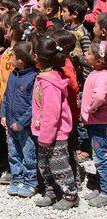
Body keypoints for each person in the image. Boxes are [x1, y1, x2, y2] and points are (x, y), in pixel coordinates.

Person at [31, 36, 77, 210]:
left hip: (53, 134)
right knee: (44, 165)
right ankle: (52, 192)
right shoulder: (43, 77)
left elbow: (52, 113)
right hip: (43, 132)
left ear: (36, 56)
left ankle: (70, 194)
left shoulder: (49, 83)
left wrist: (46, 136)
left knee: (59, 166)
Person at [1, 41, 38, 198]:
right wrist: (3, 114)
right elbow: (6, 96)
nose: (11, 59)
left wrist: (22, 123)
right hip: (10, 123)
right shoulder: (13, 75)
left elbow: (33, 106)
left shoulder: (33, 78)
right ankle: (17, 179)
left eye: (13, 57)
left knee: (28, 154)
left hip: (24, 127)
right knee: (13, 153)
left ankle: (31, 182)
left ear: (21, 61)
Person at [81, 40, 107, 207]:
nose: (85, 55)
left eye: (89, 53)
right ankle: (99, 186)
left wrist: (91, 108)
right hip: (94, 122)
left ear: (99, 60)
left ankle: (105, 191)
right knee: (99, 155)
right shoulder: (95, 73)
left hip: (99, 122)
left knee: (101, 157)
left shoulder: (102, 76)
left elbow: (99, 96)